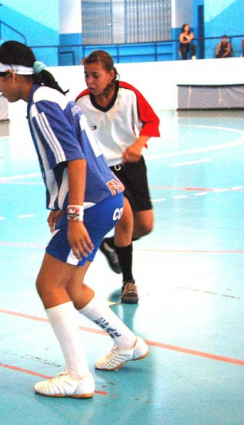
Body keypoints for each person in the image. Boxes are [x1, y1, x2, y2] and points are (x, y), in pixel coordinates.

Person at [0, 41, 148, 399]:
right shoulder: (51, 96)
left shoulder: (41, 105)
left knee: (49, 286)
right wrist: (60, 205)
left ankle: (77, 375)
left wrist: (74, 215)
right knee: (73, 287)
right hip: (107, 198)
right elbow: (70, 159)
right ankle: (128, 342)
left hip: (90, 205)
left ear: (13, 74)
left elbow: (76, 161)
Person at [76, 50, 160, 305]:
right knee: (125, 218)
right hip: (105, 171)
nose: (90, 81)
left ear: (111, 75)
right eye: (86, 75)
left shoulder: (130, 95)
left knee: (144, 226)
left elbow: (152, 122)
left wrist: (139, 144)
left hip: (133, 166)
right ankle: (128, 282)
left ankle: (111, 245)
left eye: (95, 75)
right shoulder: (81, 104)